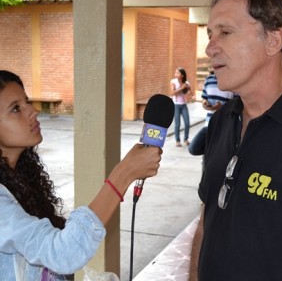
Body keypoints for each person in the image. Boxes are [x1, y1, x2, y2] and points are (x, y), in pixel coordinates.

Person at [191, 0, 282, 281]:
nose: (210, 47)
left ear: (273, 40)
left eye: (225, 32)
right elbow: (206, 220)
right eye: (210, 34)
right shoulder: (222, 120)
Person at [0, 70, 162, 280]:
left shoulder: (19, 180)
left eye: (27, 101)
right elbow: (63, 253)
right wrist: (123, 174)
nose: (33, 111)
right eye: (16, 109)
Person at [188, 65, 234, 156]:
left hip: (226, 125)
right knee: (193, 148)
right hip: (209, 123)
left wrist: (222, 108)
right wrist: (205, 104)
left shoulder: (233, 81)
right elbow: (204, 97)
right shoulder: (209, 80)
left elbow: (239, 104)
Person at [170, 67, 194, 147]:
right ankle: (177, 140)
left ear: (182, 75)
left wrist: (192, 95)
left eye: (177, 73)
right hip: (176, 105)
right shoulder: (173, 82)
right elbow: (172, 93)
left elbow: (191, 92)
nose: (175, 74)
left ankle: (186, 139)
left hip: (184, 105)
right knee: (177, 124)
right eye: (175, 72)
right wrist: (182, 88)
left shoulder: (186, 83)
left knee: (187, 123)